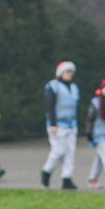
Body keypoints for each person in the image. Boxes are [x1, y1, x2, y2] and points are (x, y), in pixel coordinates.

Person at [41, 61, 79, 190]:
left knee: (70, 153)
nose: (70, 74)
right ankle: (46, 171)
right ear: (61, 73)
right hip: (57, 125)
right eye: (67, 72)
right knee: (59, 150)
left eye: (71, 72)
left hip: (71, 124)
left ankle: (67, 179)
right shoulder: (53, 86)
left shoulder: (74, 87)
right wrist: (53, 124)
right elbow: (50, 106)